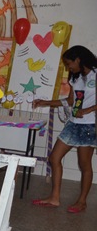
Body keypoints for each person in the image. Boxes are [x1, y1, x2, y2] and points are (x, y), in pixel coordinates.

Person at [32, 45, 97, 213]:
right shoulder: (75, 78)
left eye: (69, 64)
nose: (69, 67)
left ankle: (82, 201)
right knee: (54, 158)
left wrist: (88, 110)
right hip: (73, 123)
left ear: (78, 59)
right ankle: (54, 198)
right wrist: (45, 102)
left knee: (84, 165)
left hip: (89, 126)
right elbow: (70, 101)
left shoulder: (95, 74)